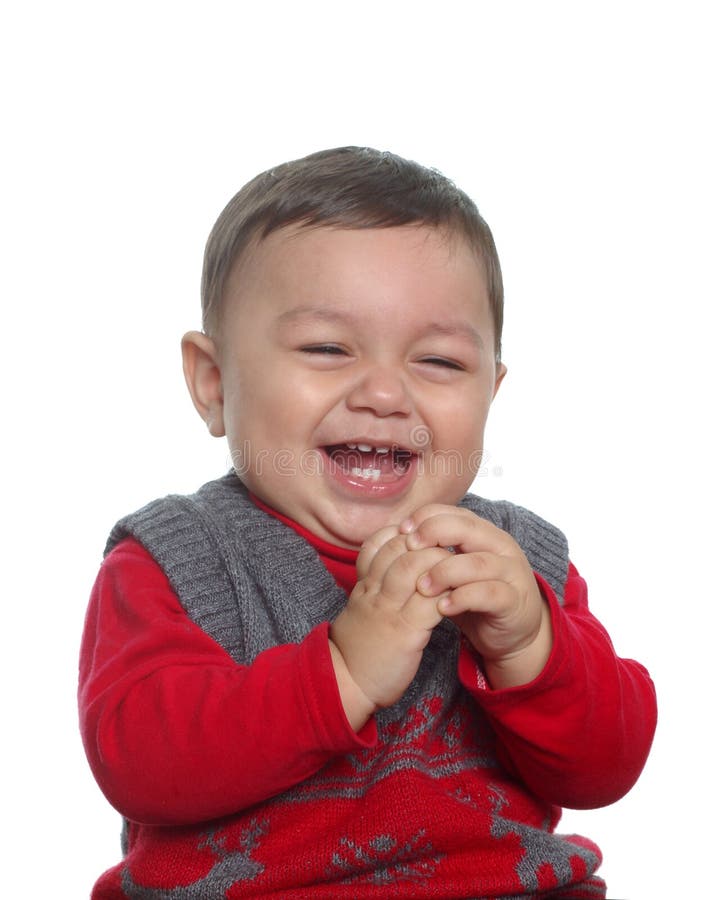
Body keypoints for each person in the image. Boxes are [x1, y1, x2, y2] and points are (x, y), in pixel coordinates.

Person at [78, 146, 656, 899]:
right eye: (327, 349)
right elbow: (140, 761)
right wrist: (343, 673)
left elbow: (605, 768)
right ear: (215, 384)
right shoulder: (177, 561)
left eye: (441, 362)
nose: (385, 393)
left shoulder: (511, 566)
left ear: (491, 389)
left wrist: (531, 647)